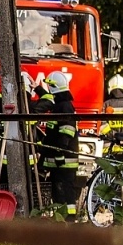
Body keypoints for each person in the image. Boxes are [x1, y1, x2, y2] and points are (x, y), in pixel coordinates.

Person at [38, 70, 80, 214]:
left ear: (54, 87)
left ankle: (68, 218)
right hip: (59, 160)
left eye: (50, 86)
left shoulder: (65, 106)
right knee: (57, 190)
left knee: (65, 190)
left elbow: (66, 132)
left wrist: (59, 153)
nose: (48, 89)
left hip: (64, 160)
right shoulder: (60, 105)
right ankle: (59, 218)